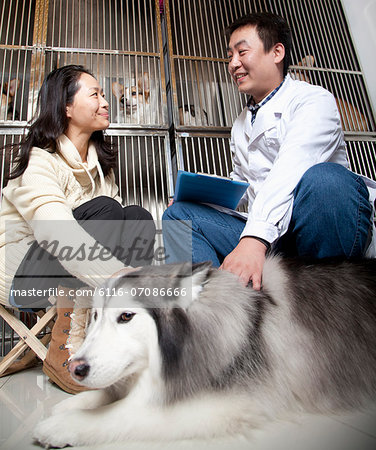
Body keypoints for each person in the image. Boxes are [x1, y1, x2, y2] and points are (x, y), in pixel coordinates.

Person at [162, 12, 376, 290]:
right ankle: (217, 314)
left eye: (242, 52)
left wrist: (254, 240)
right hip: (273, 235)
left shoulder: (312, 100)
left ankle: (328, 299)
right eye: (229, 56)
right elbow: (245, 188)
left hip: (320, 227)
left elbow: (292, 168)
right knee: (179, 216)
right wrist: (198, 197)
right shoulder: (241, 123)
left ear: (276, 52)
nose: (233, 64)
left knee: (325, 180)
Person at [0, 65, 155, 392]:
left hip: (66, 273)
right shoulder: (39, 160)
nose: (106, 101)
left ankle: (119, 340)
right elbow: (56, 235)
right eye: (95, 94)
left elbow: (120, 233)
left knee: (136, 215)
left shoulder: (101, 167)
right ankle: (65, 343)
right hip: (18, 273)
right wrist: (124, 277)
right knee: (106, 210)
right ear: (66, 108)